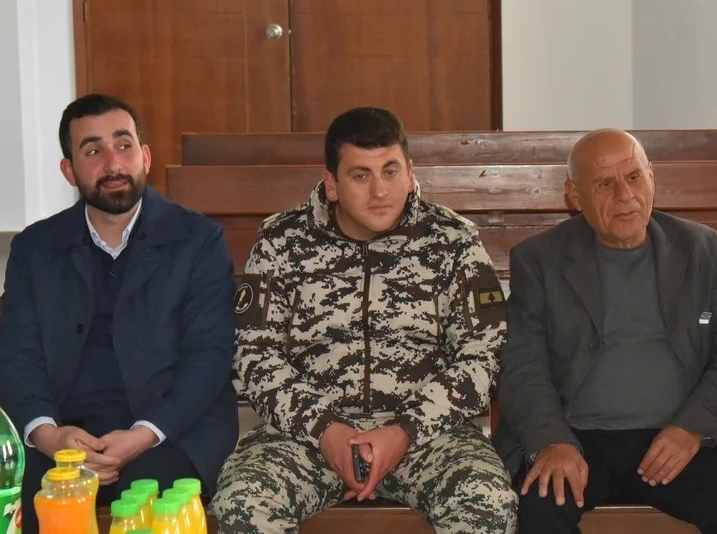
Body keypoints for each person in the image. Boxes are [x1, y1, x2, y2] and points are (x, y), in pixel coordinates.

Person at [211, 106, 516, 534]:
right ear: (332, 184)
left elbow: (484, 356)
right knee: (242, 503)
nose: (380, 191)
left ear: (409, 172)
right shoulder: (282, 242)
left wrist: (405, 429)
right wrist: (324, 429)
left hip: (429, 436)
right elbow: (253, 356)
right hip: (306, 437)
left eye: (391, 171)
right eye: (360, 175)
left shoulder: (452, 241)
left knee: (488, 503)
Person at [493, 128, 717, 534]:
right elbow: (522, 364)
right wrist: (552, 440)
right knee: (537, 511)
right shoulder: (540, 259)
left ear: (651, 177)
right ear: (574, 196)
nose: (625, 195)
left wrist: (692, 428)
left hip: (676, 437)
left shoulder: (702, 249)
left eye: (634, 177)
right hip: (577, 438)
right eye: (604, 184)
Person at [0, 94, 238, 534]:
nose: (113, 163)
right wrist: (48, 435)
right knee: (32, 494)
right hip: (63, 429)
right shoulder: (35, 248)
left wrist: (143, 433)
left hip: (168, 427)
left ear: (145, 156)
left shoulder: (198, 240)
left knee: (150, 496)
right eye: (93, 151)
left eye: (123, 146)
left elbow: (210, 355)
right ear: (69, 170)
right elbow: (18, 355)